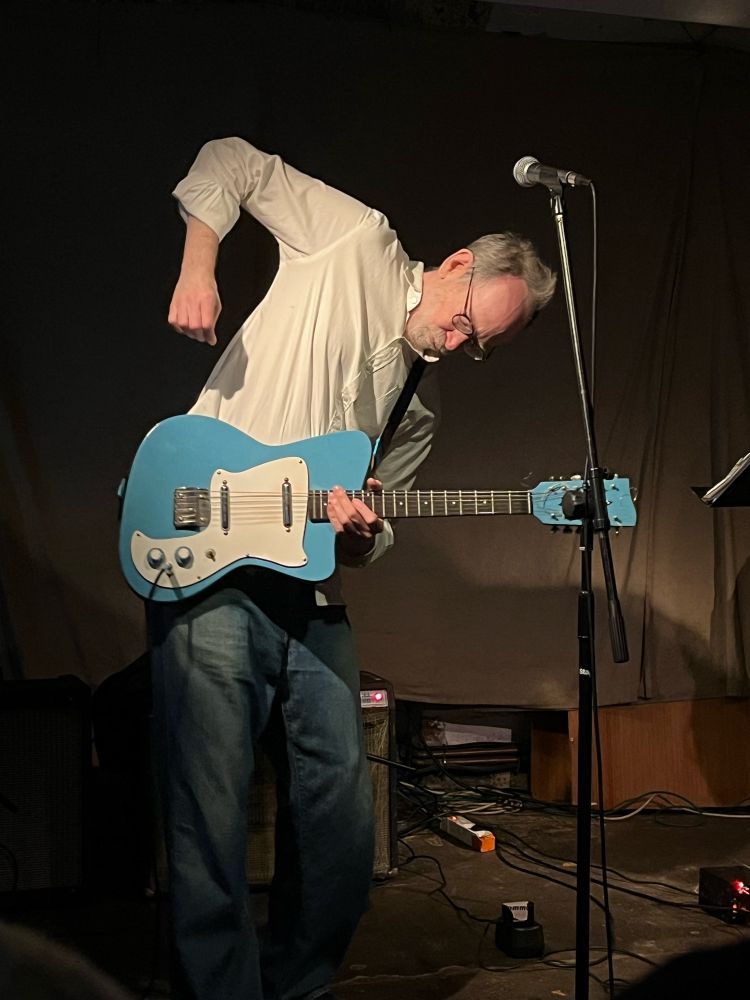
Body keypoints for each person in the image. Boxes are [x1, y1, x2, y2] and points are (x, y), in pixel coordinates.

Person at [150, 135, 556, 1000]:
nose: (460, 344)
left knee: (343, 820)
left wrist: (365, 536)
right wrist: (199, 267)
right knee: (209, 810)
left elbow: (371, 531)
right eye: (465, 322)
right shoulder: (357, 240)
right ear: (455, 264)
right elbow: (231, 161)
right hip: (213, 564)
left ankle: (295, 986)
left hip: (307, 590)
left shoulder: (419, 409)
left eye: (481, 347)